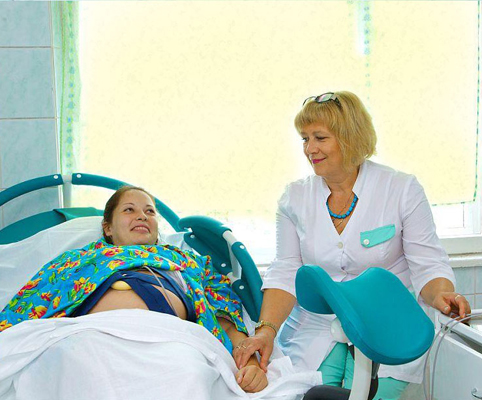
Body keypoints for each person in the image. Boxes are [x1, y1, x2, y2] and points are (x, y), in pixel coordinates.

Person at [234, 91, 471, 400]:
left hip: (386, 325)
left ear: (350, 138)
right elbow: (286, 270)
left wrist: (440, 294)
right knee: (308, 393)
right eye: (305, 139)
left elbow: (428, 263)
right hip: (318, 327)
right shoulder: (294, 198)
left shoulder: (401, 189)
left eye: (320, 138)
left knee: (371, 395)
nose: (309, 149)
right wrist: (266, 330)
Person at [0, 186, 267, 394]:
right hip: (88, 335)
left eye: (150, 212)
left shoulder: (188, 261)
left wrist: (252, 364)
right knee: (75, 370)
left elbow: (226, 314)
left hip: (170, 338)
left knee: (187, 374)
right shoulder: (75, 260)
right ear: (107, 227)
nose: (142, 215)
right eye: (129, 210)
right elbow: (28, 305)